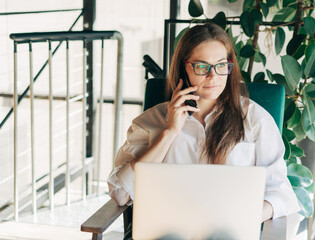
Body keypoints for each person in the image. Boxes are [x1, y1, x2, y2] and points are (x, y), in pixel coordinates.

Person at [107, 23, 299, 228]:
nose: (213, 76)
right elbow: (120, 193)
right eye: (201, 66)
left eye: (221, 65)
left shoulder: (255, 119)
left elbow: (282, 194)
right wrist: (169, 133)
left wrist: (245, 217)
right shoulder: (149, 122)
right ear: (184, 68)